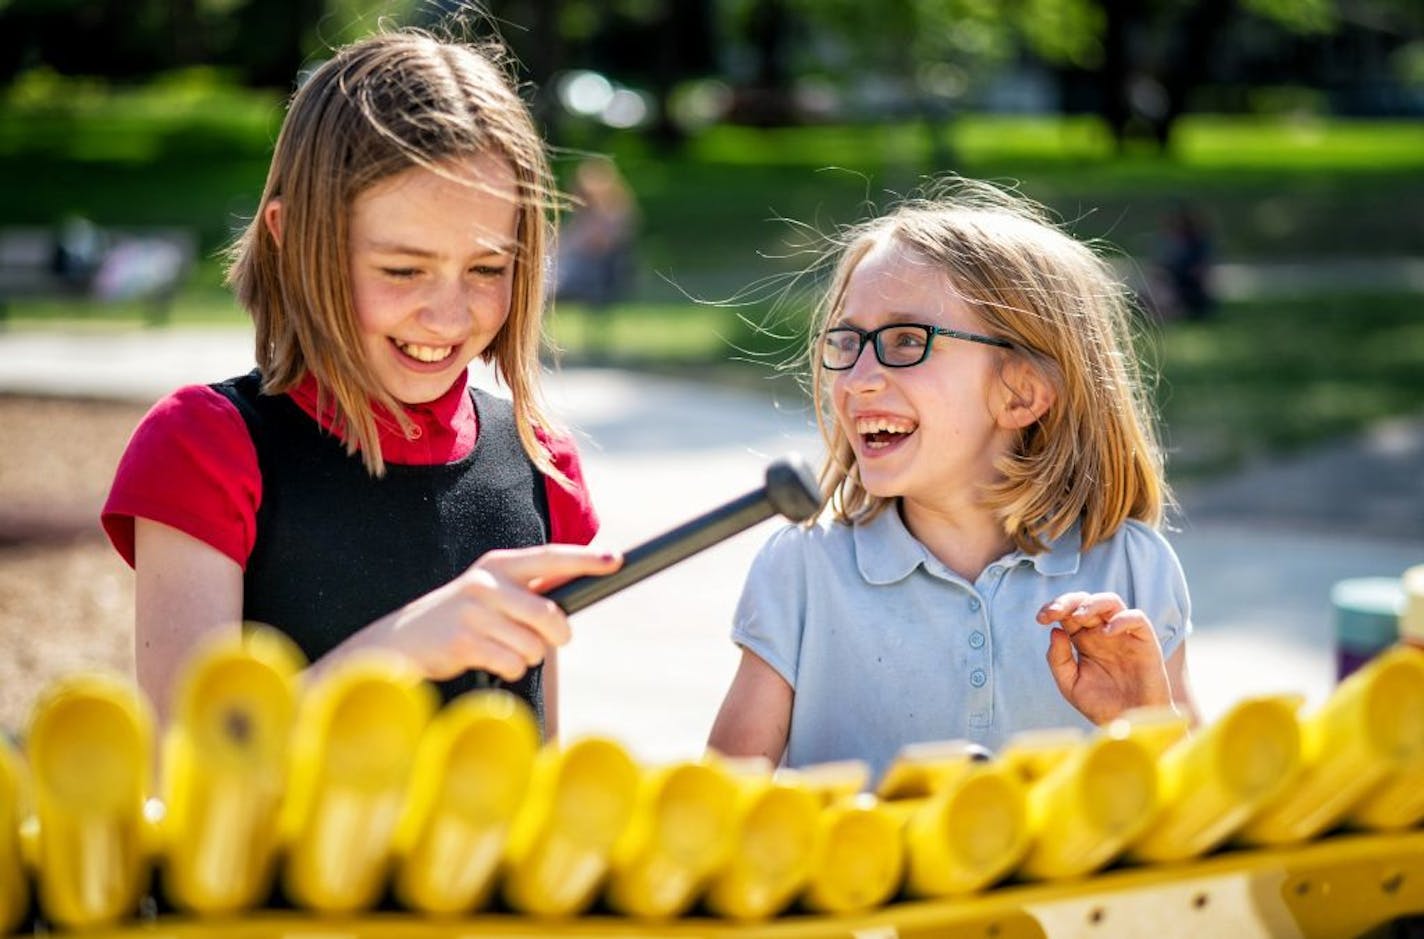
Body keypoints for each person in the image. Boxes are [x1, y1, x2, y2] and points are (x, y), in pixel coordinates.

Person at [101, 30, 622, 737]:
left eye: (487, 269)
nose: (448, 314)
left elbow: (539, 765)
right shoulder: (205, 449)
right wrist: (397, 652)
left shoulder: (542, 464)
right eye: (402, 270)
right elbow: (187, 766)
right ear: (290, 238)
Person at [708, 178, 1200, 781]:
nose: (858, 377)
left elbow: (1198, 804)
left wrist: (1146, 721)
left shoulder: (1133, 569)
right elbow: (722, 805)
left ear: (1020, 393)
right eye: (846, 340)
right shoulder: (802, 569)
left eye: (906, 340)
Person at [553, 158, 638, 356]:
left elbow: (589, 247)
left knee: (541, 282)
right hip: (576, 272)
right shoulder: (586, 217)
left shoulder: (609, 218)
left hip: (592, 277)